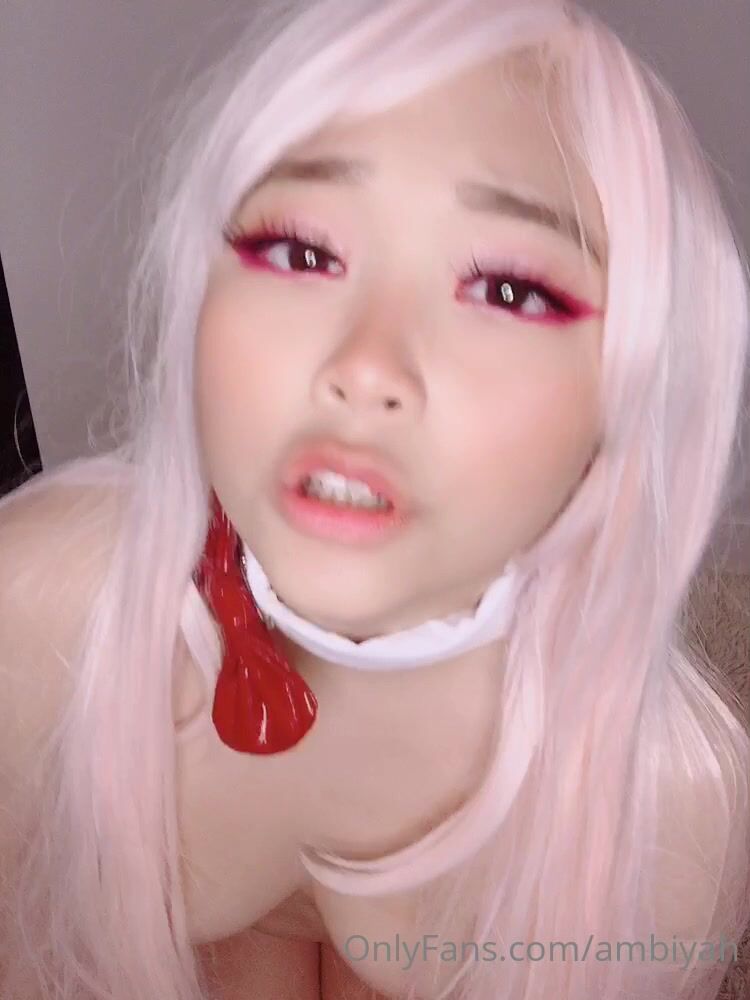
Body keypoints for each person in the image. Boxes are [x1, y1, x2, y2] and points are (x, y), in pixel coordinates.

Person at [0, 0, 748, 997]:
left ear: (634, 386)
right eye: (301, 252)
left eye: (509, 291)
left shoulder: (669, 816)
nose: (366, 367)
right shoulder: (39, 613)